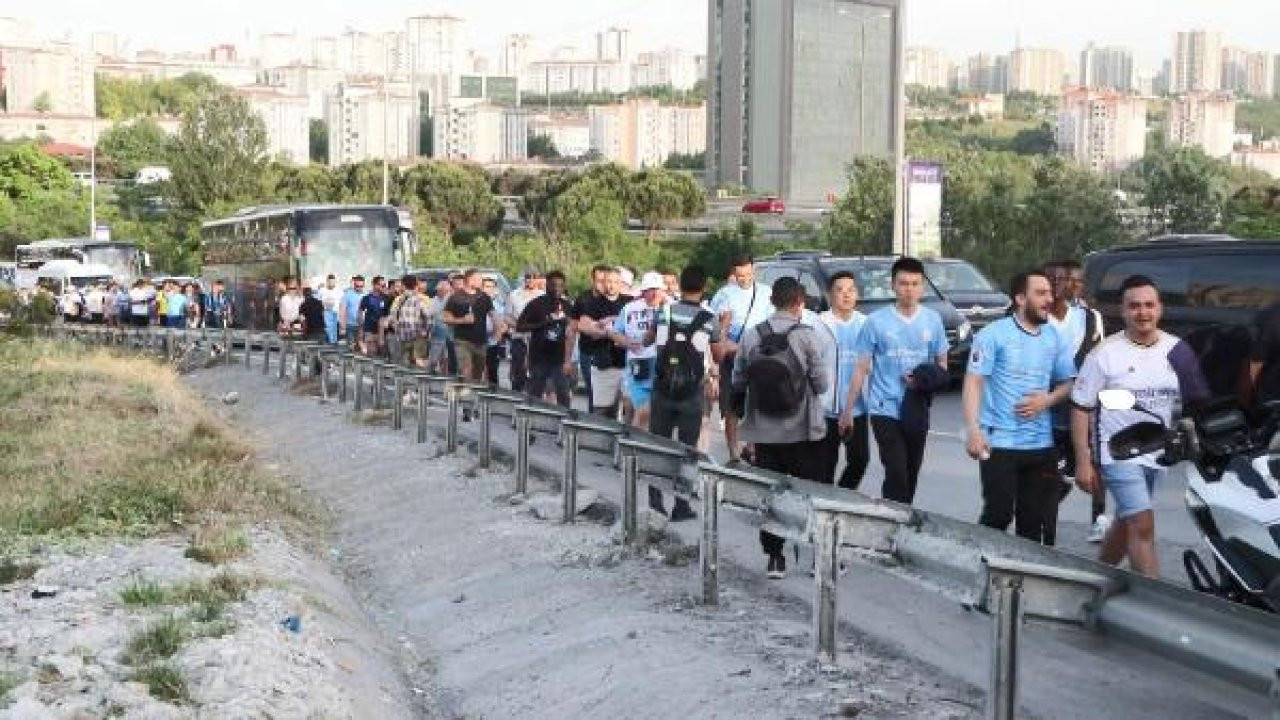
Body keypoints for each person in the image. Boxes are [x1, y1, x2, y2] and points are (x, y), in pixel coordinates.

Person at [1071, 274, 1210, 578]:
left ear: (1159, 309)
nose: (1142, 312)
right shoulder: (1105, 353)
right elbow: (1081, 408)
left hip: (1156, 453)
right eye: (1134, 306)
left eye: (1149, 305)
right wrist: (1084, 462)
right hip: (1117, 452)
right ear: (1122, 311)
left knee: (1126, 522)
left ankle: (1094, 582)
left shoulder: (1177, 351)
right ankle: (1155, 604)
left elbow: (1197, 402)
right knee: (1142, 524)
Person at [964, 270, 1077, 545]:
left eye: (1050, 293)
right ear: (1020, 298)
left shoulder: (1054, 336)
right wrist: (973, 430)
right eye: (1041, 293)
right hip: (999, 443)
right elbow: (974, 382)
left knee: (1033, 523)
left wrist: (1046, 401)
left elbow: (1070, 382)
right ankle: (984, 568)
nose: (1049, 299)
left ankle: (1023, 585)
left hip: (1041, 445)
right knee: (998, 514)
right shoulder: (993, 335)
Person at [733, 277, 829, 579]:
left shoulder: (751, 335)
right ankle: (815, 555)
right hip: (801, 431)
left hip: (763, 431)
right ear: (799, 303)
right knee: (806, 493)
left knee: (771, 494)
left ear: (772, 301)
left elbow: (738, 379)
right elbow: (822, 384)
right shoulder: (807, 336)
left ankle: (775, 557)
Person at [842, 257, 950, 506]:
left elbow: (942, 366)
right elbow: (861, 369)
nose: (909, 289)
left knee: (910, 474)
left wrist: (924, 380)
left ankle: (899, 523)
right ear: (892, 285)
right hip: (884, 409)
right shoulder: (876, 322)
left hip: (916, 409)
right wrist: (848, 411)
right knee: (896, 473)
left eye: (914, 284)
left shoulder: (933, 320)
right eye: (903, 283)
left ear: (922, 286)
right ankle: (892, 526)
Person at [649, 265, 724, 520]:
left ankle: (655, 502)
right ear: (703, 288)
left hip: (662, 387)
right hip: (692, 391)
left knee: (658, 445)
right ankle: (681, 505)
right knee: (687, 450)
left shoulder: (664, 311)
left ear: (680, 285)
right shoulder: (708, 318)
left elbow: (651, 340)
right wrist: (722, 328)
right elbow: (718, 355)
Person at [1045, 260, 1109, 543]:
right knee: (1056, 469)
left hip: (1082, 400)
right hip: (1049, 401)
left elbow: (1098, 354)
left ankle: (1098, 517)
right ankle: (1042, 516)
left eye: (1073, 280)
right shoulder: (1036, 314)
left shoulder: (1089, 316)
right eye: (1059, 279)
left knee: (1092, 461)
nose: (1068, 285)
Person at [710, 255, 774, 461]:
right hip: (731, 360)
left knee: (756, 405)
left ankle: (753, 447)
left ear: (754, 271)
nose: (743, 279)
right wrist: (723, 332)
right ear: (733, 274)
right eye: (739, 276)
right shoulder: (724, 294)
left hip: (756, 356)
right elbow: (717, 330)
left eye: (747, 275)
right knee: (732, 407)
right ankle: (733, 453)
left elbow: (772, 327)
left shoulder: (766, 293)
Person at [813, 272, 870, 489]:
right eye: (840, 290)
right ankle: (825, 503)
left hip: (858, 408)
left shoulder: (866, 324)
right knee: (825, 466)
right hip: (826, 408)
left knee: (860, 460)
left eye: (851, 290)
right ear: (829, 295)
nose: (846, 295)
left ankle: (842, 496)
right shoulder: (818, 324)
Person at [610, 272, 667, 430]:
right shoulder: (630, 308)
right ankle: (633, 446)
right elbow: (615, 333)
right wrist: (628, 343)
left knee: (651, 413)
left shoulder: (671, 308)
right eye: (650, 289)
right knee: (641, 410)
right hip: (639, 364)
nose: (655, 293)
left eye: (658, 289)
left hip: (663, 365)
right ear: (643, 291)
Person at [578, 267, 632, 419]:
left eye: (615, 282)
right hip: (603, 363)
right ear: (603, 282)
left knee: (630, 407)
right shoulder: (593, 303)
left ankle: (627, 441)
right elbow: (584, 326)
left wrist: (609, 321)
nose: (611, 285)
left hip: (626, 363)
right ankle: (596, 440)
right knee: (601, 410)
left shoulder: (630, 302)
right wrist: (608, 333)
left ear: (621, 283)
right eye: (608, 281)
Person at [517, 270, 573, 407]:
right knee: (535, 393)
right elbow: (520, 326)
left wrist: (568, 359)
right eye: (553, 285)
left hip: (559, 357)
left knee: (563, 393)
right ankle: (529, 421)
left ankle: (564, 423)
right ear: (547, 285)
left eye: (560, 285)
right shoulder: (536, 304)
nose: (557, 289)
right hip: (539, 356)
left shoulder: (567, 306)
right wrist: (542, 324)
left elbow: (573, 331)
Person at [443, 269, 497, 382]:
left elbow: (493, 315)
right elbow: (446, 318)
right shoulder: (455, 297)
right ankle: (467, 395)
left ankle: (469, 392)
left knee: (478, 373)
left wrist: (498, 330)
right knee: (466, 370)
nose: (481, 281)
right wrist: (462, 320)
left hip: (480, 342)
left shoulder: (484, 297)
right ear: (469, 280)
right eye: (478, 279)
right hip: (462, 341)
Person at [569, 266, 611, 411]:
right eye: (599, 280)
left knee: (606, 392)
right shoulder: (583, 299)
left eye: (605, 280)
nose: (602, 284)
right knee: (592, 389)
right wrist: (569, 357)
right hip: (587, 351)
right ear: (592, 280)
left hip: (608, 351)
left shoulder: (611, 299)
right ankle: (592, 420)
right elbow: (573, 326)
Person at [507, 267, 545, 393]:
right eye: (528, 276)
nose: (531, 279)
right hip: (519, 338)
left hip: (536, 340)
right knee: (519, 373)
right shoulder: (514, 295)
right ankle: (516, 396)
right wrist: (518, 326)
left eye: (534, 277)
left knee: (535, 374)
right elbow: (506, 317)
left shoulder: (543, 296)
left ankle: (533, 401)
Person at [391, 275, 437, 368]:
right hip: (414, 337)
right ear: (415, 285)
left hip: (406, 337)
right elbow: (430, 317)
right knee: (416, 363)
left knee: (408, 365)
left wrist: (397, 329)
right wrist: (426, 332)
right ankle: (420, 382)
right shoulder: (419, 298)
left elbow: (393, 317)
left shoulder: (400, 299)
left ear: (403, 285)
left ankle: (409, 382)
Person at [1244, 300, 1280, 413]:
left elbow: (1255, 363)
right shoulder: (1273, 315)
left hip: (1272, 403)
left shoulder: (1272, 316)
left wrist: (1244, 404)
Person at [482, 276, 508, 386]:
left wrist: (499, 333)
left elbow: (505, 324)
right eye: (487, 287)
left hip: (493, 341)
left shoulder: (499, 305)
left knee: (492, 369)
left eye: (492, 287)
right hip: (477, 340)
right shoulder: (475, 302)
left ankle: (493, 392)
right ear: (482, 288)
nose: (489, 289)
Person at [358, 276, 390, 357]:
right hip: (370, 331)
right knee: (372, 354)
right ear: (375, 285)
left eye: (384, 285)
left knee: (383, 355)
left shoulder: (386, 298)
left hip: (382, 332)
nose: (383, 287)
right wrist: (361, 326)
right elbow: (360, 311)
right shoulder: (366, 298)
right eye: (381, 285)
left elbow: (388, 315)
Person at [339, 275, 366, 348]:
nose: (359, 288)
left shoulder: (366, 295)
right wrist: (343, 327)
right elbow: (342, 310)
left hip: (362, 326)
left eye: (361, 286)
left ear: (364, 285)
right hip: (350, 325)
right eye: (357, 286)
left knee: (361, 347)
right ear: (354, 285)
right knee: (351, 347)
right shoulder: (347, 295)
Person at [318, 274, 343, 344]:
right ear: (327, 281)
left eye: (333, 282)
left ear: (335, 282)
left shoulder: (339, 291)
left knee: (335, 334)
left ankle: (334, 344)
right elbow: (319, 303)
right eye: (329, 282)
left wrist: (342, 317)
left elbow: (342, 304)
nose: (331, 284)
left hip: (336, 314)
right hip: (326, 313)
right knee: (328, 332)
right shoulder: (322, 290)